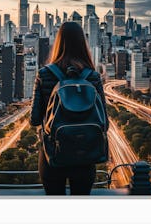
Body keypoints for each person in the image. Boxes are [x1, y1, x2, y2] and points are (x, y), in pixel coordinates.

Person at [30, 21, 108, 195]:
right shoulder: (93, 76)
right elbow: (105, 124)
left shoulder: (44, 74)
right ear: (83, 43)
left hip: (53, 155)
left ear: (58, 42)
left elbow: (34, 120)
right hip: (86, 156)